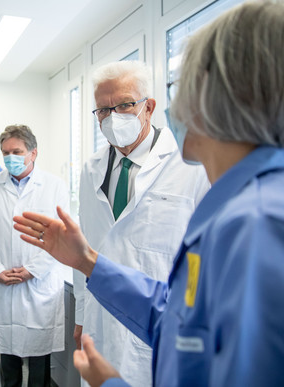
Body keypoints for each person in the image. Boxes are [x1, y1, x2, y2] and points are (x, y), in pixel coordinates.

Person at [13, 1, 284, 385]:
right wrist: (87, 262)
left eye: (183, 86)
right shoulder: (244, 207)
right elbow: (183, 316)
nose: (177, 104)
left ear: (222, 100)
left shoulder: (262, 225)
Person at [73, 60, 209, 386]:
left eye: (124, 105)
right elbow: (85, 250)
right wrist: (80, 316)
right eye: (103, 110)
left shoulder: (190, 166)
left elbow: (201, 259)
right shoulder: (90, 170)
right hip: (99, 321)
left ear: (148, 107)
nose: (112, 116)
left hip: (160, 326)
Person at [0, 125, 69, 387]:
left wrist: (31, 270)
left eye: (16, 151)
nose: (10, 158)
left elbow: (60, 236)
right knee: (8, 358)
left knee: (39, 363)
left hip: (39, 285)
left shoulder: (54, 186)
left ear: (33, 153)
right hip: (2, 283)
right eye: (5, 152)